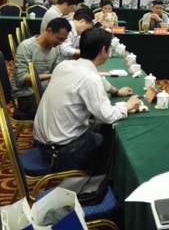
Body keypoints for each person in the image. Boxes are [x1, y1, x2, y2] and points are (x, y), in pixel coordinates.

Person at [34, 29, 141, 171]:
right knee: (109, 138)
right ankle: (100, 177)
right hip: (59, 151)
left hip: (42, 141)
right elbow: (107, 116)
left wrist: (115, 91)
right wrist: (128, 105)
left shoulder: (64, 65)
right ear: (103, 50)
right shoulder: (90, 78)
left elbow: (94, 78)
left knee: (100, 127)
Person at [11, 18, 71, 119]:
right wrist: (51, 76)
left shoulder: (55, 49)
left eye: (63, 40)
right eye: (59, 38)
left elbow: (55, 72)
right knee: (62, 112)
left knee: (73, 102)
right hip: (26, 95)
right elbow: (22, 78)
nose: (60, 43)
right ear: (49, 31)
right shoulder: (26, 47)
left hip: (45, 91)